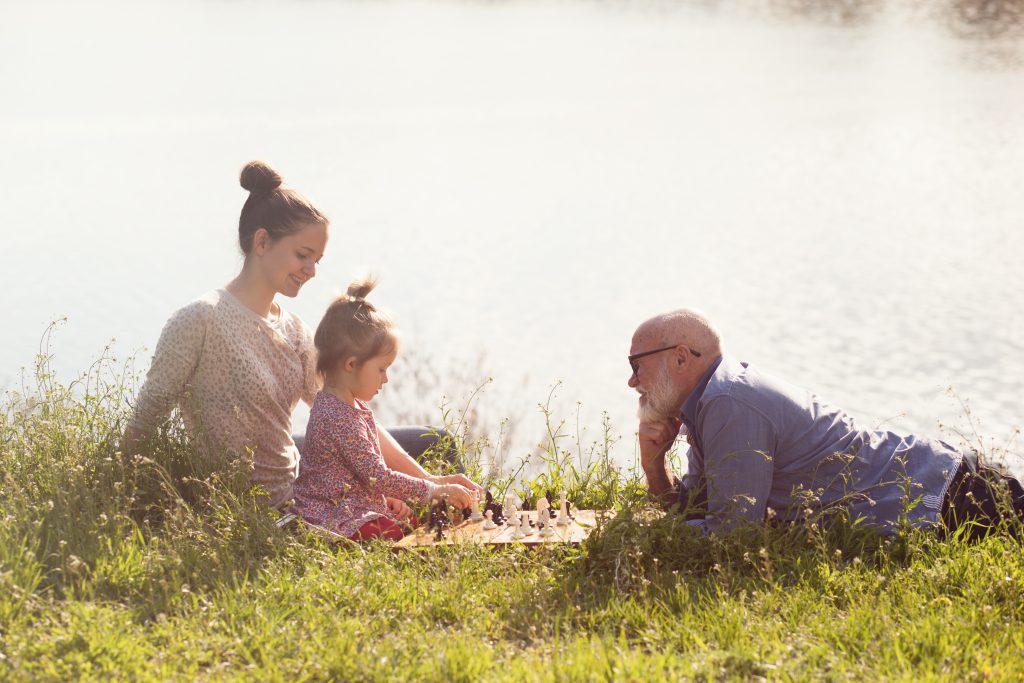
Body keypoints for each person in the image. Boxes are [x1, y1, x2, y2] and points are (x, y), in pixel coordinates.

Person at [123, 160, 467, 512]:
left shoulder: (296, 331)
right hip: (255, 503)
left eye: (317, 259)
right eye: (303, 255)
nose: (312, 270)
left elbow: (349, 414)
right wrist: (120, 503)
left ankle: (464, 525)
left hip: (298, 475)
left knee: (437, 442)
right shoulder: (199, 320)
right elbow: (144, 421)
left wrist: (433, 481)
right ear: (261, 242)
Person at [629, 309, 1024, 538]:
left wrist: (644, 538)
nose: (632, 381)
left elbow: (733, 533)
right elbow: (698, 508)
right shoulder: (709, 404)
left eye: (636, 365)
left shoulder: (730, 403)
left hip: (953, 498)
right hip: (943, 490)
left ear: (681, 358)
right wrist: (653, 466)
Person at [290, 278, 477, 541]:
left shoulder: (351, 405)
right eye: (381, 369)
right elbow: (377, 476)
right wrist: (434, 490)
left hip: (349, 503)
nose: (385, 379)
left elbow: (360, 475)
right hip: (329, 514)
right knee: (392, 531)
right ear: (351, 364)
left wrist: (384, 498)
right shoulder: (337, 416)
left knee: (408, 520)